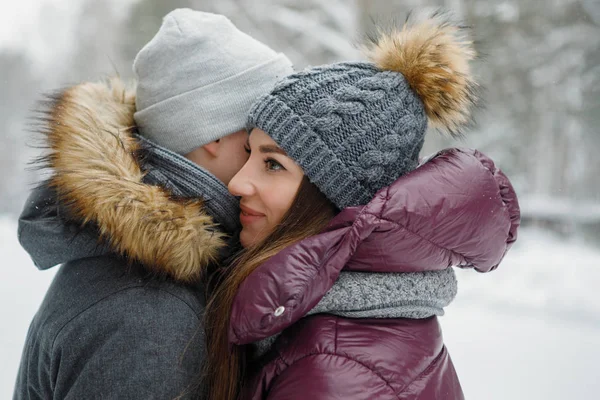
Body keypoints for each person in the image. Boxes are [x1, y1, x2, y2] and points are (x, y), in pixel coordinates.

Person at [204, 13, 521, 400]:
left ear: (336, 195)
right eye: (249, 153)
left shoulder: (332, 369)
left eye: (273, 164)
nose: (237, 182)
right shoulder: (353, 326)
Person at [14, 9, 292, 400]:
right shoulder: (148, 318)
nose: (278, 140)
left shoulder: (157, 269)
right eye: (260, 133)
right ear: (213, 133)